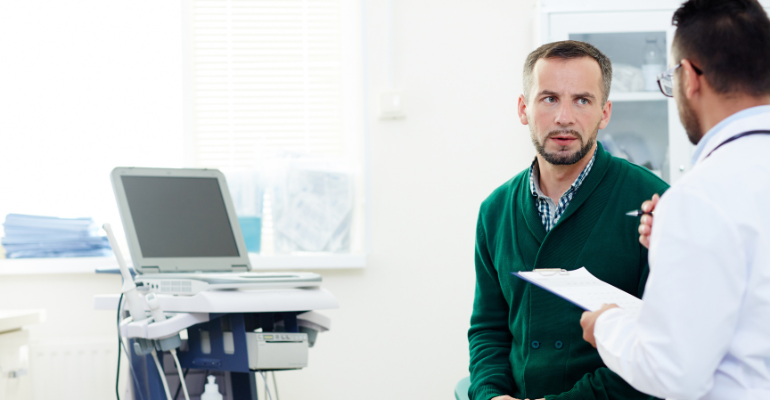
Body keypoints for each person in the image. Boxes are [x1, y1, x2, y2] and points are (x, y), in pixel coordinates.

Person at [579, 1, 770, 399]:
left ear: (689, 77)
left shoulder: (702, 195)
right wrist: (675, 243)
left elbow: (672, 373)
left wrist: (606, 326)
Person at [467, 40, 669, 400]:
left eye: (582, 100)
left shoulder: (654, 203)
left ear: (605, 112)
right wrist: (491, 395)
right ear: (523, 108)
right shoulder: (495, 211)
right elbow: (489, 330)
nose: (564, 117)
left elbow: (661, 347)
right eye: (549, 99)